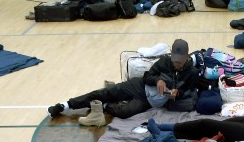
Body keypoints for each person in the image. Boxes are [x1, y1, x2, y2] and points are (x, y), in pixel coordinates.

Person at [48, 39, 199, 125]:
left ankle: (103, 105)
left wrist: (176, 94)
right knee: (105, 93)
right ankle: (66, 105)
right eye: (174, 61)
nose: (176, 64)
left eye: (179, 62)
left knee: (124, 112)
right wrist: (158, 80)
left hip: (150, 102)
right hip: (139, 86)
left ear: (187, 57)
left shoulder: (192, 72)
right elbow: (148, 76)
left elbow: (189, 93)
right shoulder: (165, 60)